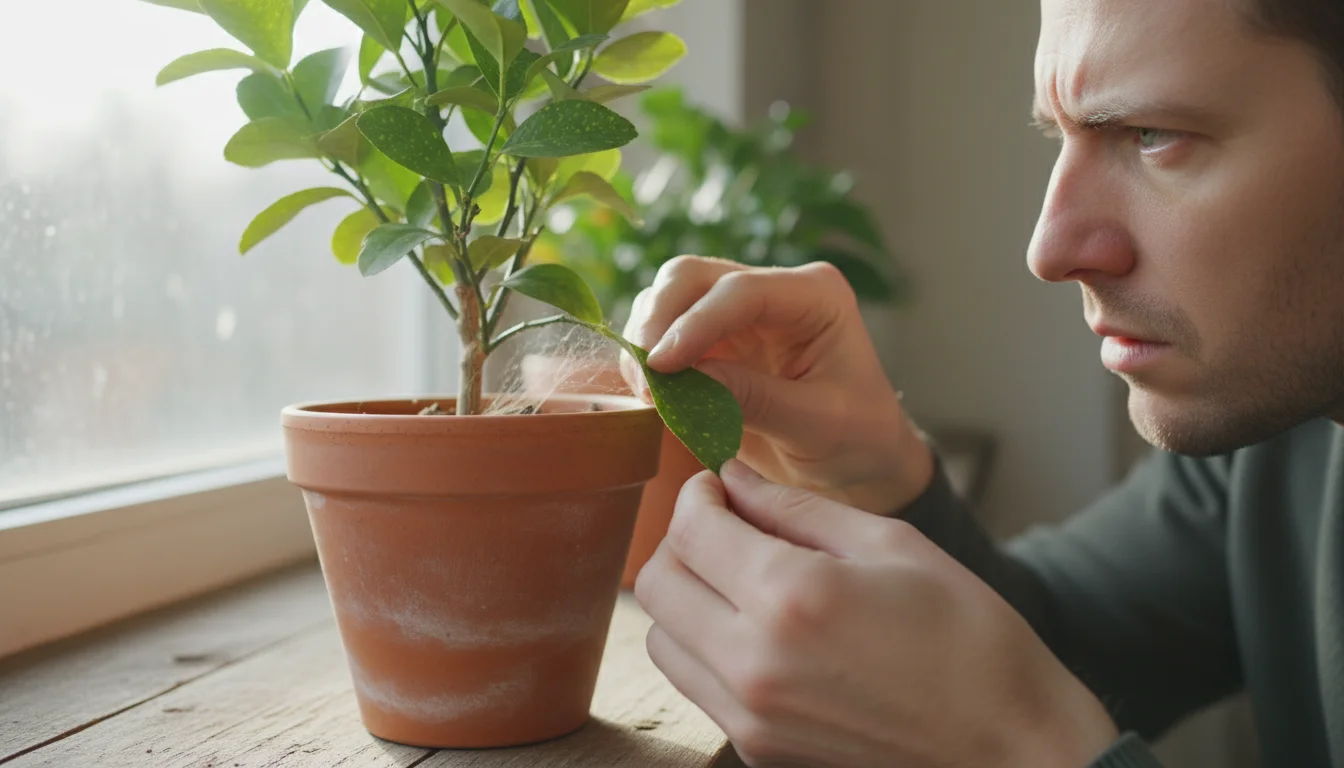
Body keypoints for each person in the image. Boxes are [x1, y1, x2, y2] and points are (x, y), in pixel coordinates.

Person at [619, 0, 1344, 765]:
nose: (1050, 248)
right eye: (1059, 135)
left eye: (1152, 135)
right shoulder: (1279, 441)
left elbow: (1022, 713)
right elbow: (1055, 648)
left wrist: (1024, 751)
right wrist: (875, 472)